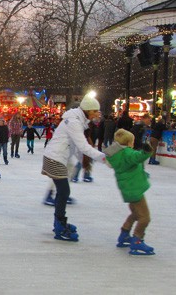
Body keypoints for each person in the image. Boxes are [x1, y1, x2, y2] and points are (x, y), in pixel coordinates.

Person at [41, 94, 106, 241]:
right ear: (89, 110)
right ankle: (60, 225)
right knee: (64, 191)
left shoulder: (78, 120)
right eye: (96, 111)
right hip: (55, 158)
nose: (97, 113)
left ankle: (59, 222)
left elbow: (77, 148)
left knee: (62, 192)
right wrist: (103, 158)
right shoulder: (74, 122)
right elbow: (83, 146)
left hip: (58, 157)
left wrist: (85, 162)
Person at [103, 129, 155, 255]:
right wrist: (147, 151)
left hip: (127, 188)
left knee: (136, 213)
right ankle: (137, 240)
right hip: (134, 188)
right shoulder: (127, 153)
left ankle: (124, 234)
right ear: (129, 142)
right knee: (145, 217)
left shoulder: (116, 154)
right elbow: (137, 157)